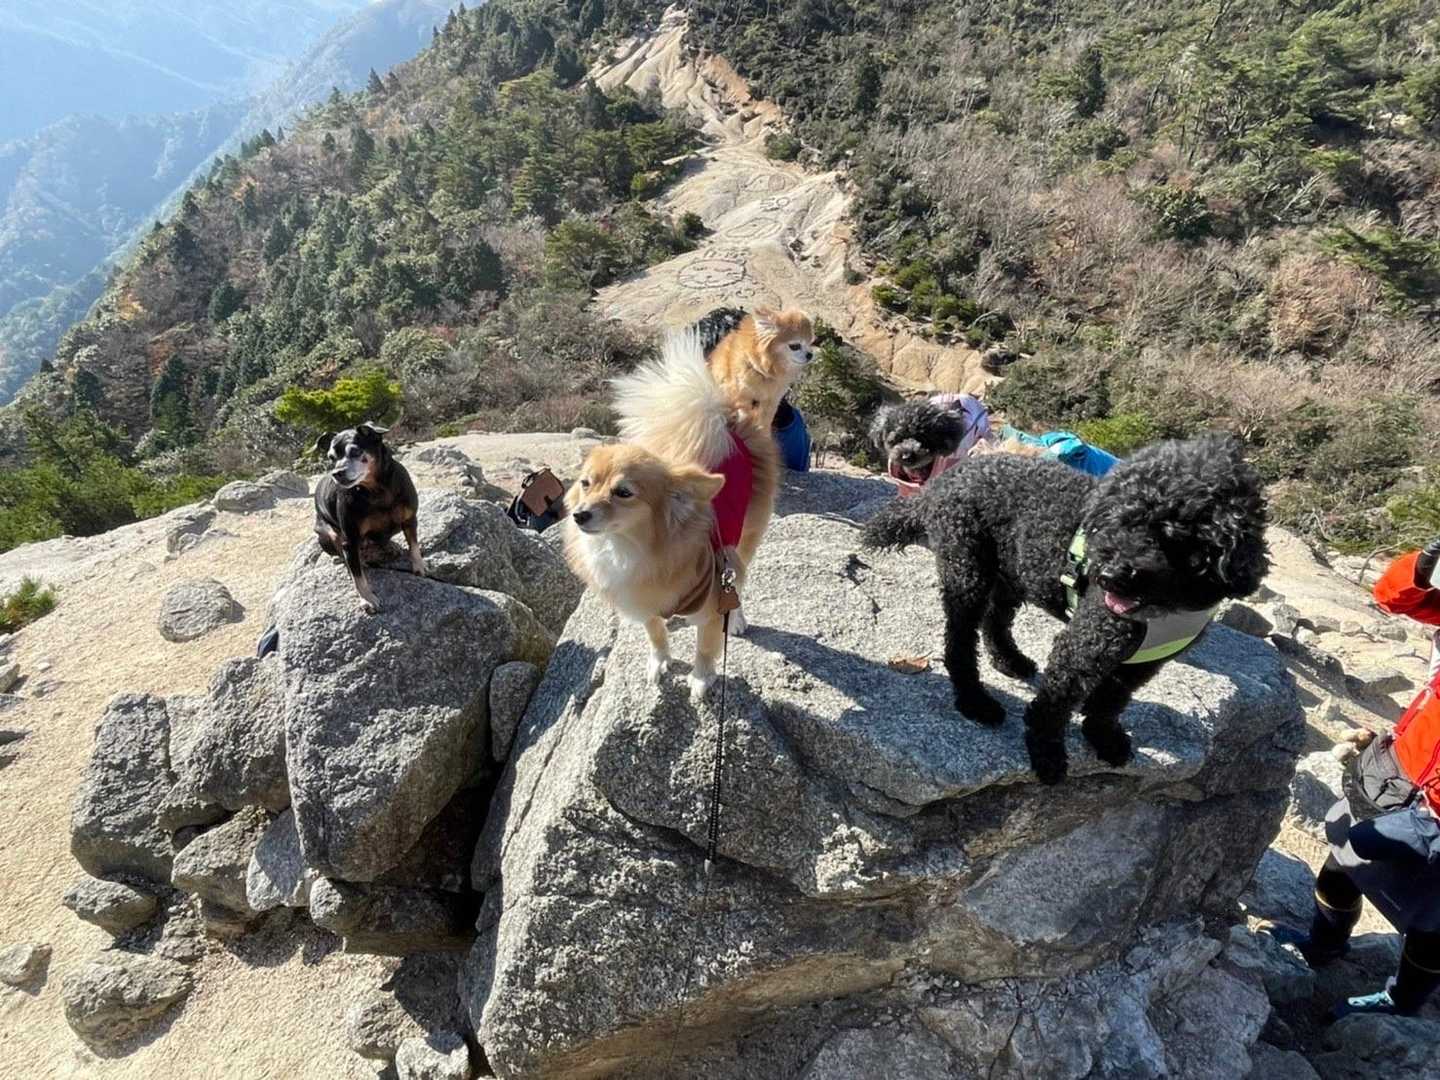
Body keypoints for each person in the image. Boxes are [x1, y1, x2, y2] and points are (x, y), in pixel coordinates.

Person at [1279, 538, 1440, 1018]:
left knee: (1431, 920)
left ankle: (1402, 1003)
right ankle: (1323, 946)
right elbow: (1392, 597)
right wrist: (1423, 566)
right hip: (1400, 769)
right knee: (1343, 858)